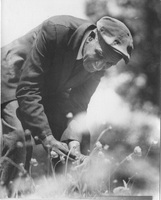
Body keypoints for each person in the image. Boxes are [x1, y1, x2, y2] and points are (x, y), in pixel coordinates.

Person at [1, 15, 133, 195]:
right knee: (19, 139)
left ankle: (64, 194)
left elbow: (78, 104)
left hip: (48, 86)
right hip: (13, 74)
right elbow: (28, 89)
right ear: (92, 36)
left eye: (108, 64)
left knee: (79, 137)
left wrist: (73, 141)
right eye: (99, 55)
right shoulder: (55, 29)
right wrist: (47, 137)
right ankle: (7, 193)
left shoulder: (99, 65)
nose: (99, 65)